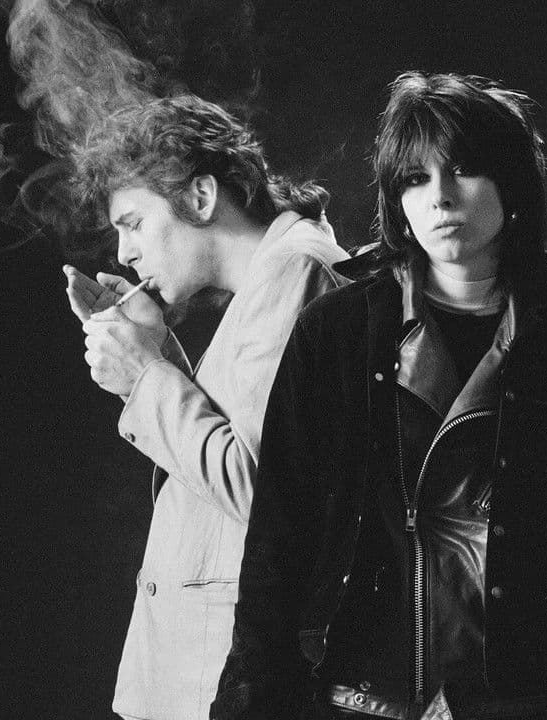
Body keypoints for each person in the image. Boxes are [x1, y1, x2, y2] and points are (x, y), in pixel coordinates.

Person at [211, 72, 547, 720]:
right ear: (396, 199)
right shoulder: (338, 332)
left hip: (532, 698)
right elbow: (280, 536)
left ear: (510, 183)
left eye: (464, 169)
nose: (440, 197)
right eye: (415, 178)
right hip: (364, 694)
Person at [65, 94, 350, 720]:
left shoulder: (296, 272)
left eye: (134, 223)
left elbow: (257, 487)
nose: (123, 254)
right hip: (199, 677)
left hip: (219, 685)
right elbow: (236, 449)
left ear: (200, 197)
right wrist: (154, 355)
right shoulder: (273, 276)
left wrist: (145, 375)